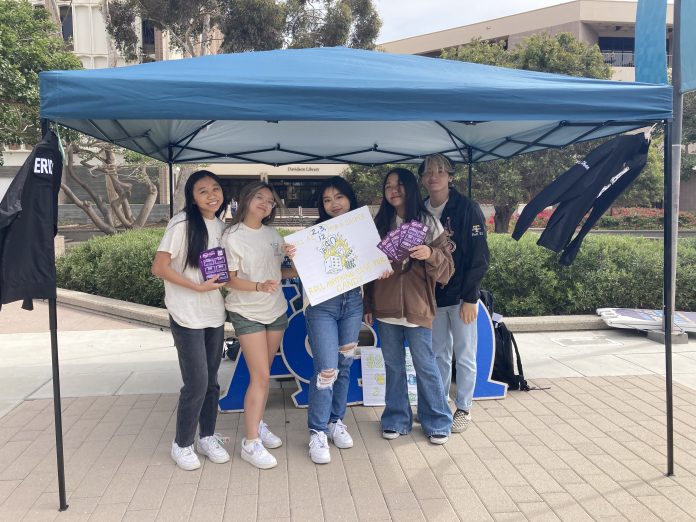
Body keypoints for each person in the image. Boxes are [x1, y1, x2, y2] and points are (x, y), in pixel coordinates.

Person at [363, 167, 454, 444]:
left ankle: (437, 420)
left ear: (411, 187)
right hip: (385, 308)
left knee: (425, 365)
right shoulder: (378, 224)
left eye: (399, 185)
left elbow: (448, 270)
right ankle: (395, 418)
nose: (393, 190)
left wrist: (431, 253)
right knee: (393, 366)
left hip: (418, 308)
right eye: (388, 186)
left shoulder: (429, 223)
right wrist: (368, 304)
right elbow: (366, 271)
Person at [151, 169, 230, 471]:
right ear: (192, 197)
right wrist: (196, 287)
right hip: (186, 314)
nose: (211, 195)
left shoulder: (221, 227)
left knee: (212, 382)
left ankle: (207, 436)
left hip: (213, 314)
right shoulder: (181, 223)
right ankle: (182, 444)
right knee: (196, 382)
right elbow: (159, 267)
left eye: (215, 189)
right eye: (203, 191)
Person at [286, 177, 367, 464]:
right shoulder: (311, 234)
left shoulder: (361, 229)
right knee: (327, 369)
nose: (334, 204)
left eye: (339, 197)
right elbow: (299, 271)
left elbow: (370, 262)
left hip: (352, 302)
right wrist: (293, 258)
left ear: (349, 198)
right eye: (327, 200)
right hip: (322, 306)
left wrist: (380, 266)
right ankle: (317, 430)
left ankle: (335, 421)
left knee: (345, 363)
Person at [222, 181, 293, 469]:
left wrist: (299, 262)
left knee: (263, 375)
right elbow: (228, 279)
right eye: (260, 197)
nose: (265, 203)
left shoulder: (273, 235)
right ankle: (250, 443)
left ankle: (257, 423)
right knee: (261, 376)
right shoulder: (232, 236)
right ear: (246, 199)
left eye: (270, 200)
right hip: (246, 311)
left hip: (275, 310)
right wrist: (257, 286)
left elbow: (279, 271)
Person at [418, 154, 490, 433]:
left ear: (450, 176)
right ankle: (439, 406)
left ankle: (464, 408)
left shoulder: (467, 208)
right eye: (428, 172)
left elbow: (479, 256)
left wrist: (471, 297)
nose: (433, 177)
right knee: (438, 355)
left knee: (465, 354)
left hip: (462, 296)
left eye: (440, 171)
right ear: (422, 179)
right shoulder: (420, 211)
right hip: (432, 296)